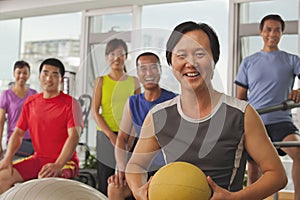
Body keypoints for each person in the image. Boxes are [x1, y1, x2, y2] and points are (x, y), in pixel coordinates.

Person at [125, 21, 287, 200]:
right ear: (171, 62)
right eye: (181, 55)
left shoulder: (242, 114)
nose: (190, 63)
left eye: (200, 54)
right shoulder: (158, 116)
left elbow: (277, 175)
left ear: (214, 60)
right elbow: (136, 165)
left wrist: (235, 198)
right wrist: (138, 191)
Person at [235, 14, 300, 199]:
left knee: (298, 153)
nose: (272, 34)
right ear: (261, 32)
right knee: (253, 171)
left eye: (277, 30)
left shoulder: (291, 60)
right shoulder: (248, 62)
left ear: (282, 33)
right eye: (268, 29)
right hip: (256, 122)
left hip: (281, 121)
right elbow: (241, 98)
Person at [0, 58, 83, 194]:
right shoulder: (31, 102)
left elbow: (74, 136)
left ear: (61, 80)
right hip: (38, 159)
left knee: (43, 184)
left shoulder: (72, 104)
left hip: (66, 162)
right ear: (39, 77)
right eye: (45, 73)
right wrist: (8, 157)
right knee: (2, 177)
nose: (49, 78)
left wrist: (58, 165)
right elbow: (18, 133)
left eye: (54, 74)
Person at [107, 52, 177, 200]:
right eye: (143, 69)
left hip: (166, 169)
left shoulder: (174, 100)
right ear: (138, 73)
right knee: (115, 188)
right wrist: (121, 167)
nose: (149, 73)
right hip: (141, 167)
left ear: (160, 71)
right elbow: (122, 139)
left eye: (153, 68)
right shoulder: (133, 102)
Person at [91, 38, 140, 195]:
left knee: (129, 178)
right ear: (107, 57)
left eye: (120, 53)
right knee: (106, 177)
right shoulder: (101, 81)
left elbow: (138, 113)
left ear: (126, 56)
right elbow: (95, 112)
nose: (116, 57)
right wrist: (112, 136)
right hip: (106, 136)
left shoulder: (135, 81)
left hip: (129, 136)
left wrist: (131, 137)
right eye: (112, 53)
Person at [0, 61, 37, 158]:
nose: (21, 76)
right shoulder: (6, 94)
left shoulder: (34, 94)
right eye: (19, 72)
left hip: (32, 140)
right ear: (14, 74)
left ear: (28, 75)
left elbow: (38, 120)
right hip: (14, 140)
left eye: (25, 73)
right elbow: (1, 121)